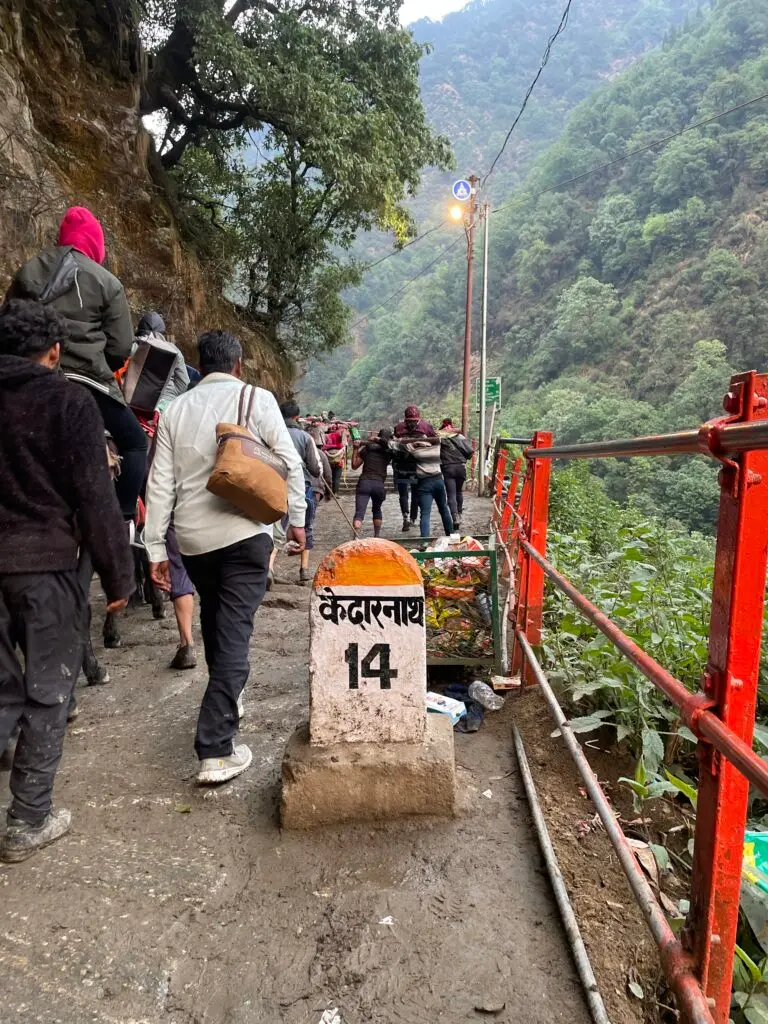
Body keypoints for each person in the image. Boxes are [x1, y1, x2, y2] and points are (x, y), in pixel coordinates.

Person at [0, 299, 133, 862]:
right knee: (49, 690)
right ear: (54, 351)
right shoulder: (68, 401)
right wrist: (117, 575)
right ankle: (28, 819)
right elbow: (95, 498)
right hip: (45, 564)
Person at [144, 330, 306, 786]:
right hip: (245, 532)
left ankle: (229, 699)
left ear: (201, 365)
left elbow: (160, 484)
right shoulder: (257, 398)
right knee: (234, 634)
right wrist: (295, 520)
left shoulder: (175, 410)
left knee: (217, 624)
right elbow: (289, 463)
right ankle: (215, 749)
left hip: (194, 541)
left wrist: (156, 547)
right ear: (237, 365)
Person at [5, 207, 147, 523]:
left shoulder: (28, 270)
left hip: (32, 378)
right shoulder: (107, 282)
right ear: (95, 243)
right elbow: (121, 347)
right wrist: (102, 365)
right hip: (89, 383)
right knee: (136, 443)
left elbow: (10, 324)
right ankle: (121, 520)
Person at [272, 401, 323, 586]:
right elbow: (314, 468)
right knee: (305, 526)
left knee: (275, 525)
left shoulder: (273, 435)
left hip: (274, 485)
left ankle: (269, 568)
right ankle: (304, 569)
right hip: (301, 487)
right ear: (296, 417)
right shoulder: (305, 437)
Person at [122, 311, 189, 415]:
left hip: (131, 403)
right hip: (165, 408)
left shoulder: (132, 347)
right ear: (162, 332)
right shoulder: (175, 351)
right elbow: (184, 383)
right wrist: (170, 396)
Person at [394, 429, 454, 540]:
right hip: (438, 481)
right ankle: (451, 536)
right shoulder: (436, 447)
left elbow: (398, 446)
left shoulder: (416, 451)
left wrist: (413, 442)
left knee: (425, 513)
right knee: (444, 509)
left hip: (425, 484)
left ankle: (425, 541)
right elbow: (443, 437)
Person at [393, 405, 436, 532]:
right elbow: (435, 441)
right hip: (419, 465)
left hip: (402, 465)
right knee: (416, 492)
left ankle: (406, 516)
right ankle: (412, 518)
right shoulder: (426, 427)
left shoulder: (399, 427)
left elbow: (393, 443)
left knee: (403, 492)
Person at [351, 429, 393, 537]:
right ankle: (377, 536)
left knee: (359, 513)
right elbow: (389, 445)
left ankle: (356, 538)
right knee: (377, 509)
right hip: (379, 484)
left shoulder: (367, 449)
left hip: (364, 483)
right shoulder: (389, 452)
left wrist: (355, 449)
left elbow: (354, 465)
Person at [439, 418, 474, 531]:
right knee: (459, 492)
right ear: (452, 426)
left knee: (451, 494)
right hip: (460, 467)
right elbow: (469, 452)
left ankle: (454, 517)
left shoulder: (439, 438)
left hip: (447, 468)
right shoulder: (460, 436)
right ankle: (459, 513)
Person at [324, 430, 346, 495]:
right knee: (337, 478)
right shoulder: (341, 446)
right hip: (338, 463)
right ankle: (335, 493)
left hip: (329, 462)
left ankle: (328, 493)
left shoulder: (326, 443)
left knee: (329, 477)